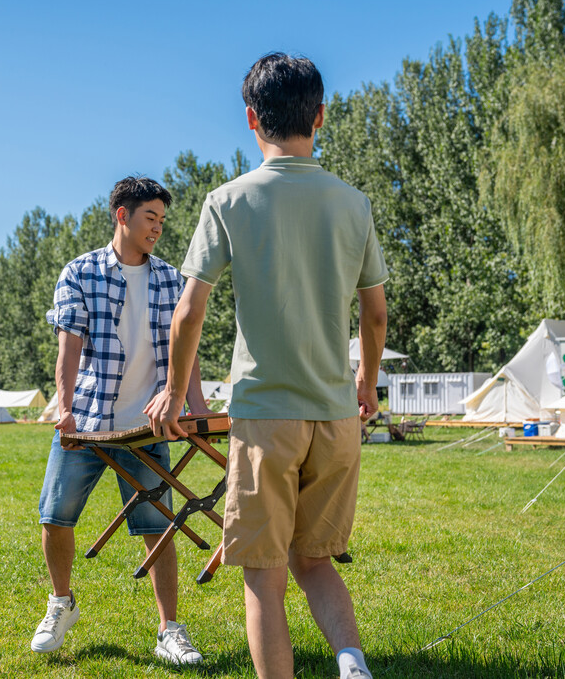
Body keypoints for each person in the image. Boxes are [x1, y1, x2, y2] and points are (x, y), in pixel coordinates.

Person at [145, 53, 389, 679]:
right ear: (321, 117)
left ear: (251, 118)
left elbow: (189, 312)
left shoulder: (228, 201)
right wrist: (365, 387)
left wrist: (175, 392)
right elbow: (376, 316)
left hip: (266, 416)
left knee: (263, 574)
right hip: (335, 416)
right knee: (316, 562)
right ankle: (353, 665)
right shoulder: (354, 203)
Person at [33, 176, 209, 665]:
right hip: (88, 422)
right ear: (122, 215)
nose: (157, 228)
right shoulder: (80, 272)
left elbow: (187, 350)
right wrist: (63, 406)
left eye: (162, 221)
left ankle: (170, 629)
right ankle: (61, 603)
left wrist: (195, 404)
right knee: (55, 517)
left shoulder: (173, 279)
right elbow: (68, 347)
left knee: (160, 527)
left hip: (148, 426)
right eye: (150, 218)